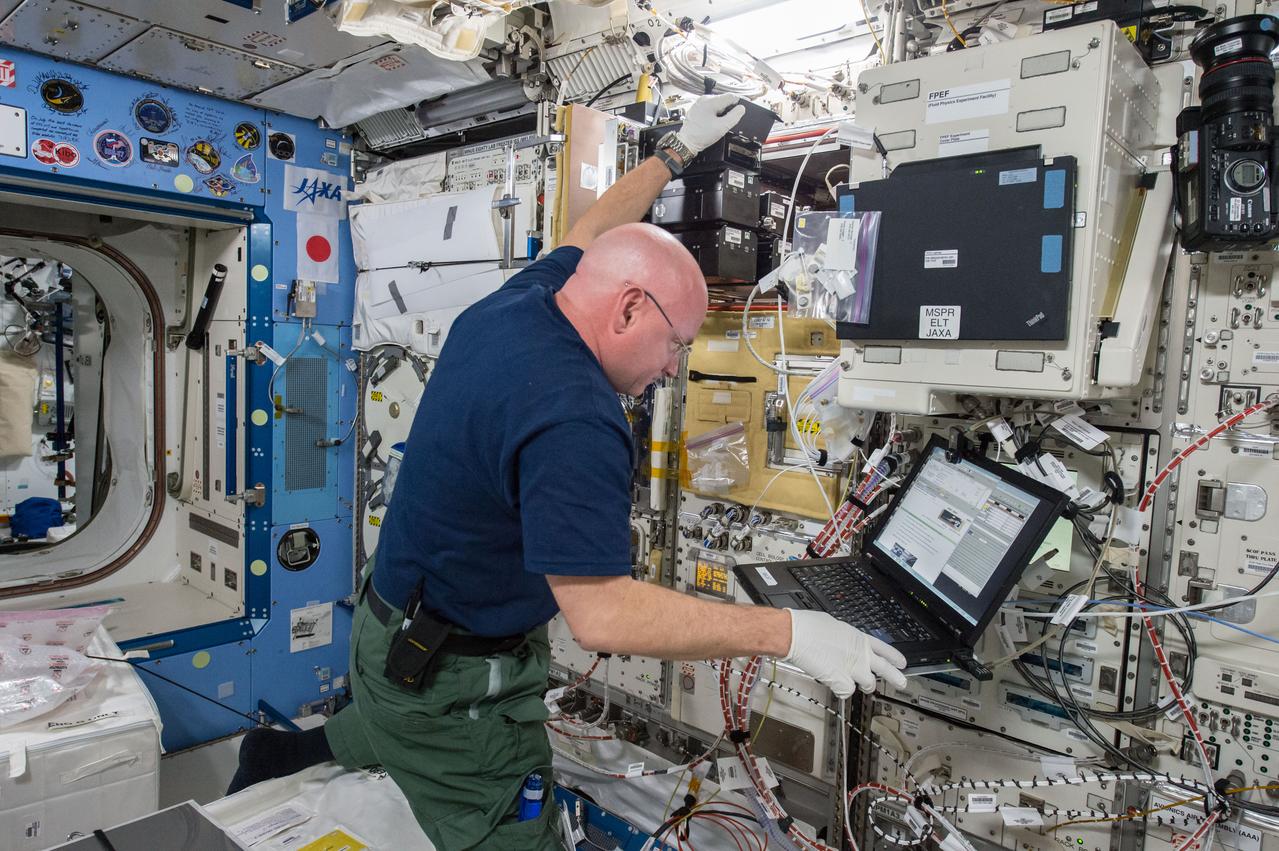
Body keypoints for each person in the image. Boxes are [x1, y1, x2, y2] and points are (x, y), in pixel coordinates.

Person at [229, 93, 907, 849]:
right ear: (625, 311)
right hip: (452, 679)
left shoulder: (522, 303)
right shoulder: (578, 415)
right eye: (675, 343)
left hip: (394, 621)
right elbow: (603, 614)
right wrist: (786, 631)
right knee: (507, 820)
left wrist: (673, 155)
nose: (670, 369)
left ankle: (285, 754)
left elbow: (588, 233)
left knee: (392, 711)